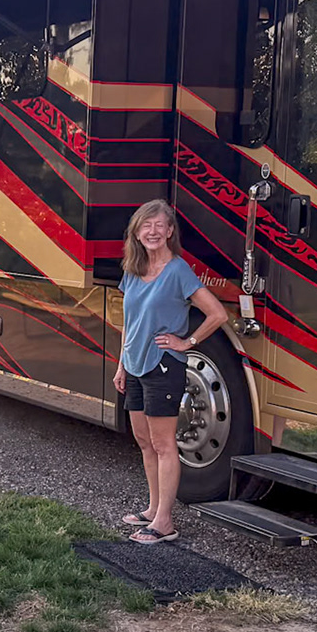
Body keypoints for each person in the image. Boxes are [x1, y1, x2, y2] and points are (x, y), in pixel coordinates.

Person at [112, 198, 230, 544]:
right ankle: (152, 509)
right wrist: (121, 366)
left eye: (158, 225)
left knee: (164, 444)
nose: (152, 231)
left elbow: (217, 314)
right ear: (136, 231)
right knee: (145, 441)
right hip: (133, 366)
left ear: (170, 232)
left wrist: (186, 342)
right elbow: (129, 323)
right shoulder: (132, 269)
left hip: (163, 366)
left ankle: (164, 522)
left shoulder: (178, 271)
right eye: (145, 225)